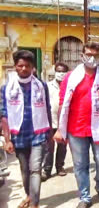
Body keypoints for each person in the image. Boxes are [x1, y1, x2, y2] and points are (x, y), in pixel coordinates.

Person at [53, 42, 99, 208]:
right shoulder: (70, 77)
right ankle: (85, 196)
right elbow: (63, 103)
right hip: (76, 128)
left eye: (95, 55)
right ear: (82, 56)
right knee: (80, 164)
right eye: (88, 55)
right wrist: (60, 129)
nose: (91, 58)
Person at [1, 50, 52, 208]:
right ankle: (29, 195)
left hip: (38, 133)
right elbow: (4, 115)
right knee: (25, 170)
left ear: (32, 68)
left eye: (27, 66)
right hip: (18, 135)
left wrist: (49, 132)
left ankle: (34, 203)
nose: (24, 69)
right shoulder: (6, 88)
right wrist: (7, 140)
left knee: (35, 169)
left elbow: (47, 108)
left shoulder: (41, 86)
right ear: (15, 66)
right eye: (20, 65)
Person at [41, 62, 69, 181]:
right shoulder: (47, 86)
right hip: (50, 121)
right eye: (58, 71)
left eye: (63, 72)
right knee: (49, 147)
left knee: (62, 146)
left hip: (64, 122)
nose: (61, 74)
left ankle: (59, 167)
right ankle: (47, 170)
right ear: (55, 72)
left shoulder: (69, 86)